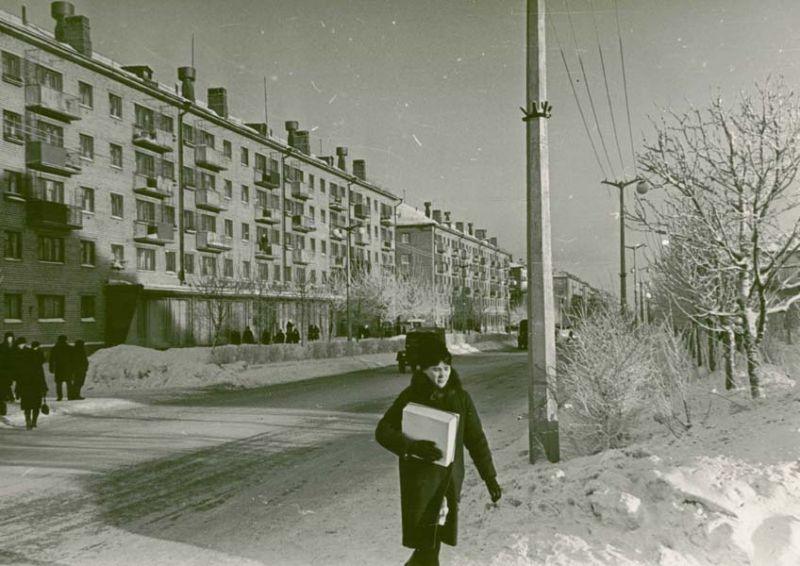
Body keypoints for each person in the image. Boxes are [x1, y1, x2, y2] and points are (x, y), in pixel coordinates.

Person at [375, 339, 501, 566]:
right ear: (423, 370)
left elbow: (476, 440)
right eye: (435, 369)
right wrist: (411, 446)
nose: (442, 374)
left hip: (448, 483)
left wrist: (489, 477)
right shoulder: (411, 396)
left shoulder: (461, 398)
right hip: (420, 483)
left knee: (430, 546)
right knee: (428, 547)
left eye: (446, 368)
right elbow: (383, 431)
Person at [16, 339, 47, 430]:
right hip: (36, 388)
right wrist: (44, 388)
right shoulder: (38, 366)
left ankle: (28, 421)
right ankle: (34, 421)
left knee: (27, 406)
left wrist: (18, 390)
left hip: (25, 388)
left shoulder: (23, 365)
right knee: (36, 406)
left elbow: (19, 378)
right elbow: (42, 378)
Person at [49, 335, 72, 401]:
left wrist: (51, 368)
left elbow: (51, 359)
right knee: (69, 382)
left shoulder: (55, 348)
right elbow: (73, 359)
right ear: (66, 340)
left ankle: (60, 396)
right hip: (68, 367)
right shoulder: (69, 348)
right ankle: (69, 396)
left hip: (59, 368)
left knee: (59, 383)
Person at [0, 331, 15, 414]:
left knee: (7, 385)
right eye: (8, 338)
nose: (10, 340)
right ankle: (3, 407)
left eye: (11, 338)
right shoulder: (2, 347)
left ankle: (10, 397)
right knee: (4, 386)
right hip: (4, 371)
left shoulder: (14, 347)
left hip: (11, 370)